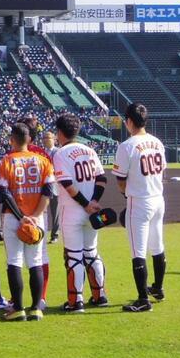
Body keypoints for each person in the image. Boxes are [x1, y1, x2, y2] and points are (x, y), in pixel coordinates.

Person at [0, 123, 54, 321]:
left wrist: (22, 218)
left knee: (14, 261)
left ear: (12, 140)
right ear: (29, 140)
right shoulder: (42, 160)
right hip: (37, 218)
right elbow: (48, 191)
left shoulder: (6, 161)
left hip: (14, 218)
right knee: (35, 261)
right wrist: (35, 216)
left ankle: (18, 308)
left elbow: (4, 194)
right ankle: (36, 308)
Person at [113, 102, 167, 313]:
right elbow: (162, 172)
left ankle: (143, 299)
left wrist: (127, 195)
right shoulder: (157, 142)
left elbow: (120, 180)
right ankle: (158, 288)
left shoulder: (127, 146)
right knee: (158, 245)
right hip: (158, 198)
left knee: (138, 251)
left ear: (128, 121)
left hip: (139, 201)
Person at [53, 114, 108, 313]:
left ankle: (76, 301)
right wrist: (94, 202)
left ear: (59, 133)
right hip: (92, 212)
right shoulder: (90, 150)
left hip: (73, 212)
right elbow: (102, 179)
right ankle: (99, 295)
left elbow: (67, 184)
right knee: (91, 253)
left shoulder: (60, 154)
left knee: (74, 256)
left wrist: (85, 204)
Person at [41, 131, 60, 243]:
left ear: (54, 139)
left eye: (48, 137)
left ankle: (55, 235)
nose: (46, 139)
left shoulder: (58, 152)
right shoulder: (40, 153)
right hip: (42, 186)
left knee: (55, 212)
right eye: (44, 137)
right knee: (42, 212)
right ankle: (41, 234)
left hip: (55, 185)